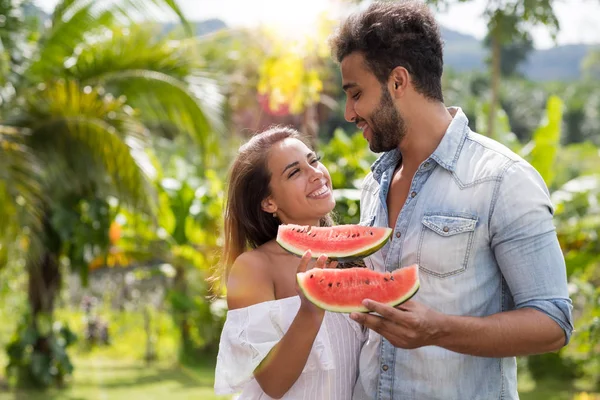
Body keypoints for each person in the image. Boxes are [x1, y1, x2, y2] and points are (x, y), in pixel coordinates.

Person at [327, 2, 574, 399]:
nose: (349, 112)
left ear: (398, 81)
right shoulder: (373, 184)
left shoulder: (502, 179)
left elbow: (552, 322)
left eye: (356, 94)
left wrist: (438, 329)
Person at [213, 126, 365, 399]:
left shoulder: (355, 255)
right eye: (295, 172)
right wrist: (310, 310)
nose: (316, 173)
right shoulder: (254, 267)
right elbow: (272, 383)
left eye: (313, 160)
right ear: (268, 202)